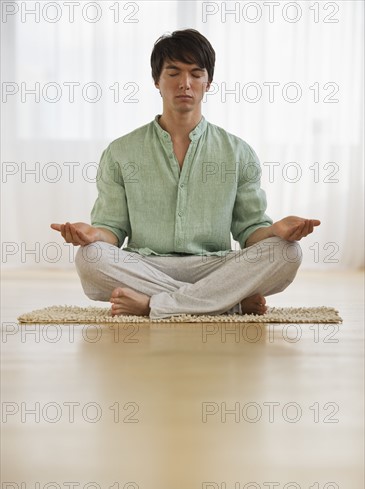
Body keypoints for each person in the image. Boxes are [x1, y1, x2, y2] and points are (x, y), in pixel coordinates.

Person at [51, 29, 320, 320]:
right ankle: (226, 304)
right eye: (173, 73)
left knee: (287, 253)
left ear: (208, 83)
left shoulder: (239, 152)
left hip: (215, 266)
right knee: (91, 257)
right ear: (156, 81)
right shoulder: (120, 152)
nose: (185, 84)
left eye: (195, 73)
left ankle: (154, 306)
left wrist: (276, 231)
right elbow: (112, 231)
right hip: (146, 265)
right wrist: (93, 234)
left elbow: (249, 231)